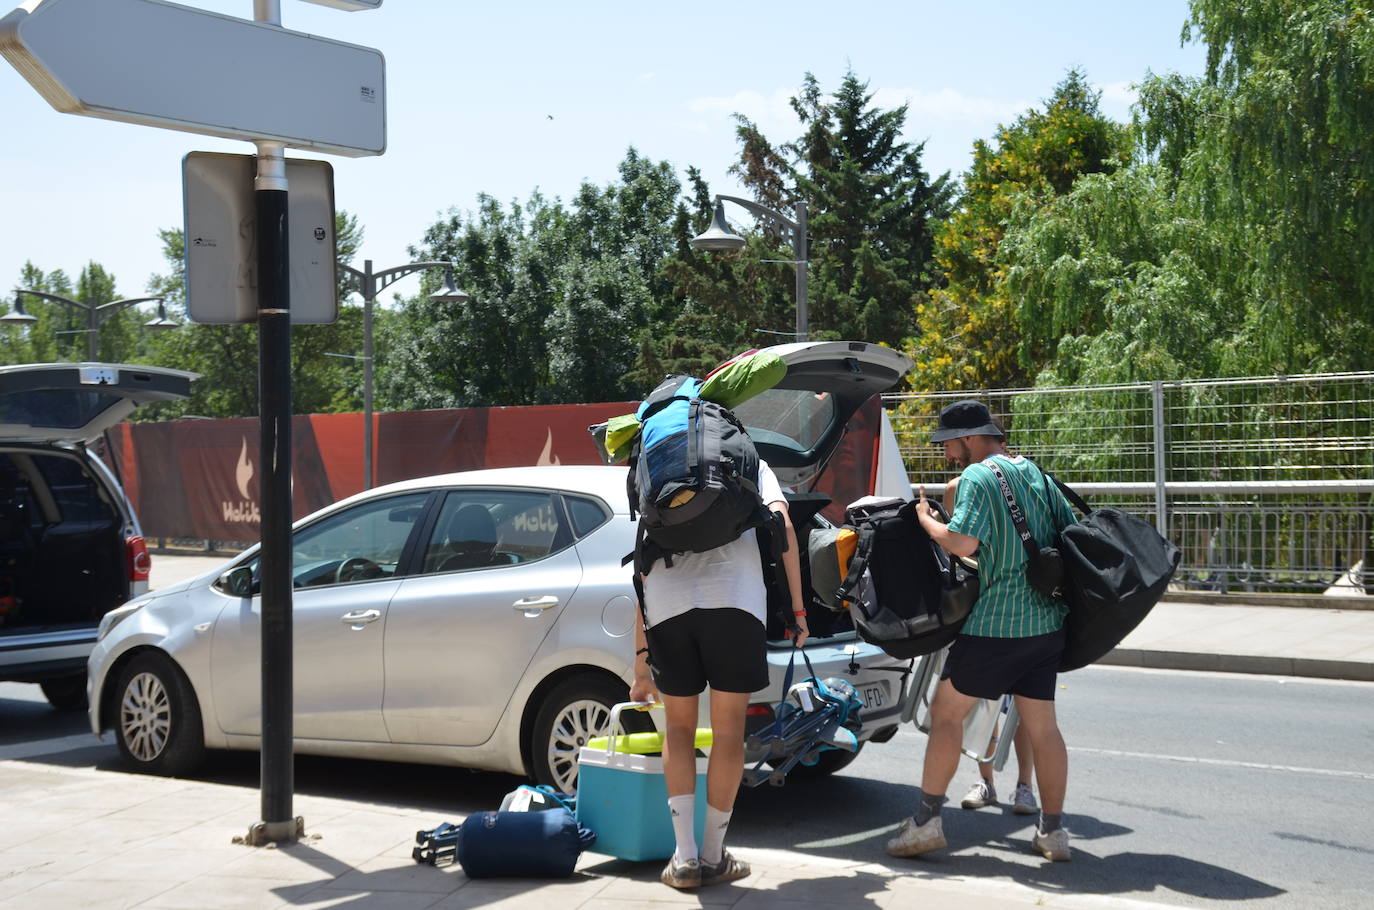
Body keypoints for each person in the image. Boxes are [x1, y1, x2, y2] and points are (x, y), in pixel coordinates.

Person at [886, 399, 1076, 862]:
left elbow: (963, 542)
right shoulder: (1035, 472)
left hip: (997, 624)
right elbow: (1068, 535)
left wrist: (928, 521)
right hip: (1046, 625)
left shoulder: (977, 477)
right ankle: (1053, 833)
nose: (950, 454)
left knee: (946, 715)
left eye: (950, 444)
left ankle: (926, 823)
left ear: (970, 438)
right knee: (1044, 727)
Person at [630, 459, 809, 890]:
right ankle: (713, 853)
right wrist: (798, 611)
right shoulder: (751, 462)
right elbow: (782, 528)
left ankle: (684, 857)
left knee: (678, 728)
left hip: (667, 606)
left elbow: (641, 560)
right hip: (735, 601)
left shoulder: (655, 463)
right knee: (728, 731)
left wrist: (640, 660)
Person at [941, 476, 1038, 817]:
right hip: (982, 606)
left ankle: (1025, 787)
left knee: (1026, 707)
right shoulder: (957, 488)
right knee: (982, 704)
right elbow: (956, 549)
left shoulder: (1025, 482)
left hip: (1024, 608)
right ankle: (986, 782)